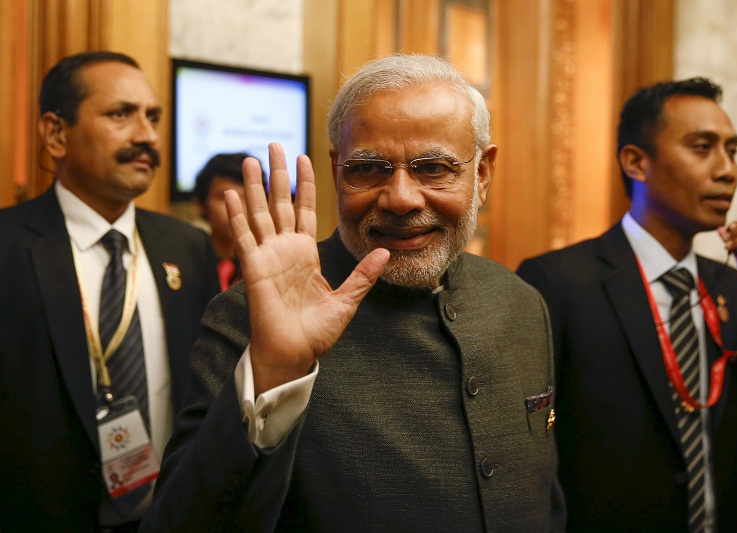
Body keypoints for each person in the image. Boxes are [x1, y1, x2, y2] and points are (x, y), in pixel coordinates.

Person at [141, 54, 565, 531]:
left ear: (482, 174)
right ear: (337, 169)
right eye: (369, 169)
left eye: (433, 167)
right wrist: (277, 373)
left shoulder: (520, 302)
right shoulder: (250, 317)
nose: (401, 198)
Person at [517, 77, 737, 532]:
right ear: (636, 162)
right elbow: (525, 450)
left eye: (732, 150)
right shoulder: (559, 281)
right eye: (702, 147)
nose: (727, 169)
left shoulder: (734, 284)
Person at [0, 51, 219, 531]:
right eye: (121, 114)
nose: (146, 135)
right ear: (56, 133)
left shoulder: (187, 246)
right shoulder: (9, 246)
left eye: (153, 116)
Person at [192, 152, 264, 290]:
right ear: (200, 204)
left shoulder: (270, 263)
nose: (238, 207)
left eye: (248, 197)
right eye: (224, 197)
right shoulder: (187, 263)